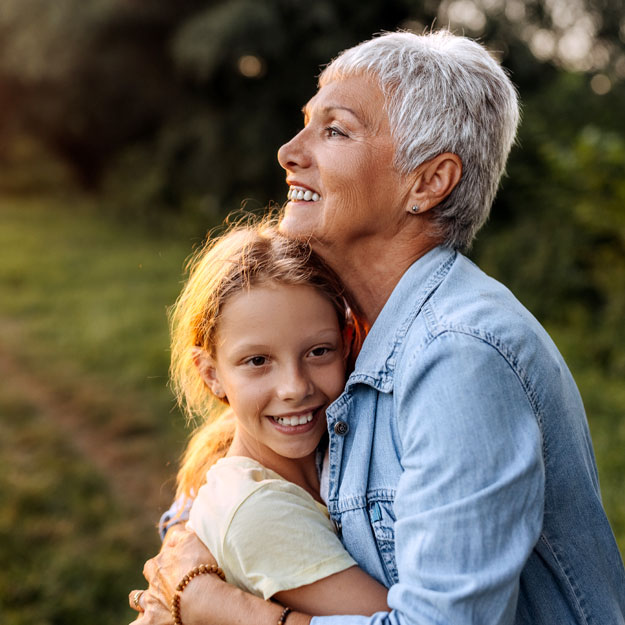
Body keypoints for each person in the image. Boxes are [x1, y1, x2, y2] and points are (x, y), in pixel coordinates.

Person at [130, 29, 625, 625]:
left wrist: (220, 606)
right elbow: (245, 473)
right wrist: (188, 544)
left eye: (334, 129)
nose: (289, 151)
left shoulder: (457, 359)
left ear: (427, 182)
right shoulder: (353, 332)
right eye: (305, 122)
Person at [155, 221, 388, 619]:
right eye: (258, 361)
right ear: (211, 373)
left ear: (347, 342)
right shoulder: (256, 509)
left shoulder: (322, 459)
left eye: (318, 351)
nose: (294, 387)